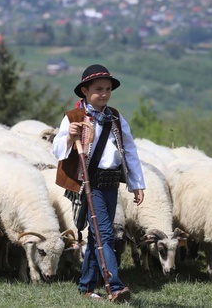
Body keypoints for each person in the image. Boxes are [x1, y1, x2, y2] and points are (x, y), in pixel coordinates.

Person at [52, 64, 145, 303]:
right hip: (88, 183)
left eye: (107, 89)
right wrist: (71, 136)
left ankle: (86, 287)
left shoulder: (115, 116)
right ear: (85, 90)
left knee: (97, 236)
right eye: (98, 89)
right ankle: (114, 286)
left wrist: (136, 183)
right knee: (105, 233)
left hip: (111, 182)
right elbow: (58, 151)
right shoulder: (73, 117)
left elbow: (129, 149)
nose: (103, 94)